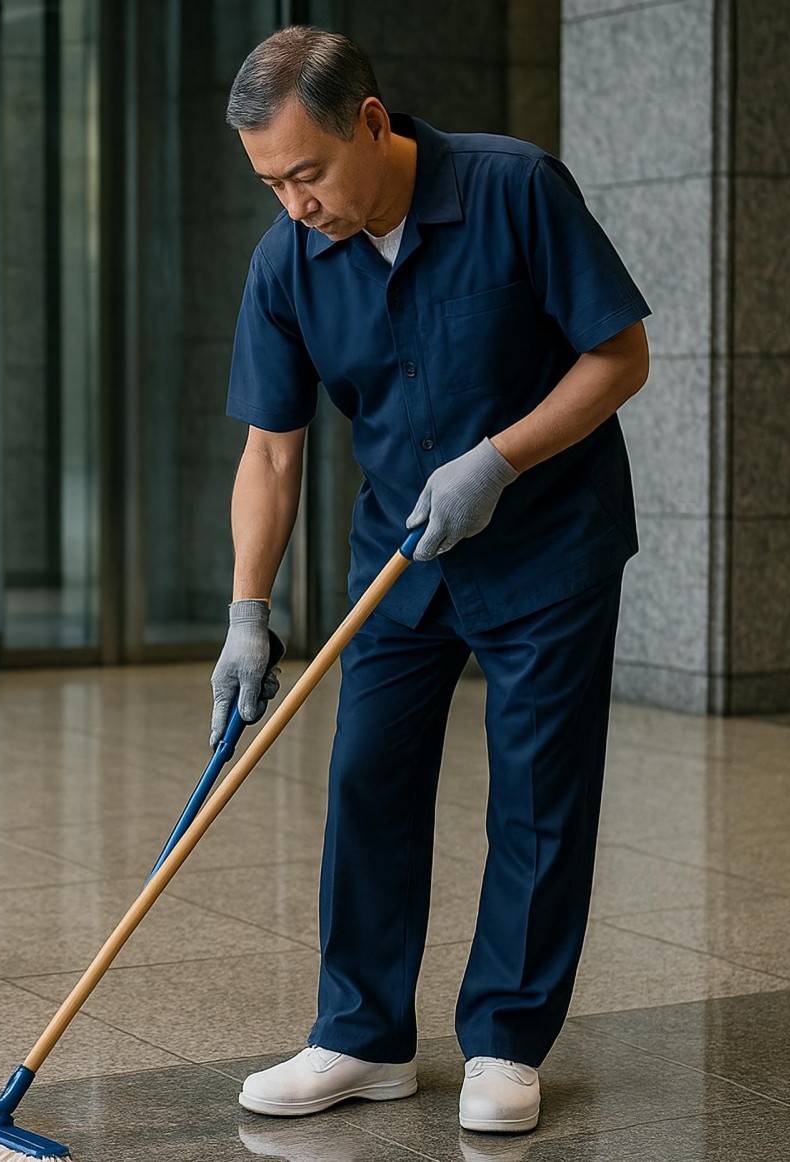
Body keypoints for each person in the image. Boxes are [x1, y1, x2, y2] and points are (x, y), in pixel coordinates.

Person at [209, 27, 651, 1135]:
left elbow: (619, 356)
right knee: (368, 778)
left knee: (538, 794)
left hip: (548, 544)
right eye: (272, 185)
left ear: (371, 122)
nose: (296, 205)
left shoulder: (515, 189)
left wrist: (498, 459)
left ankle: (506, 1040)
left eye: (308, 173)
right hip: (403, 558)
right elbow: (270, 452)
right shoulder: (287, 260)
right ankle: (362, 1037)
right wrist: (248, 614)